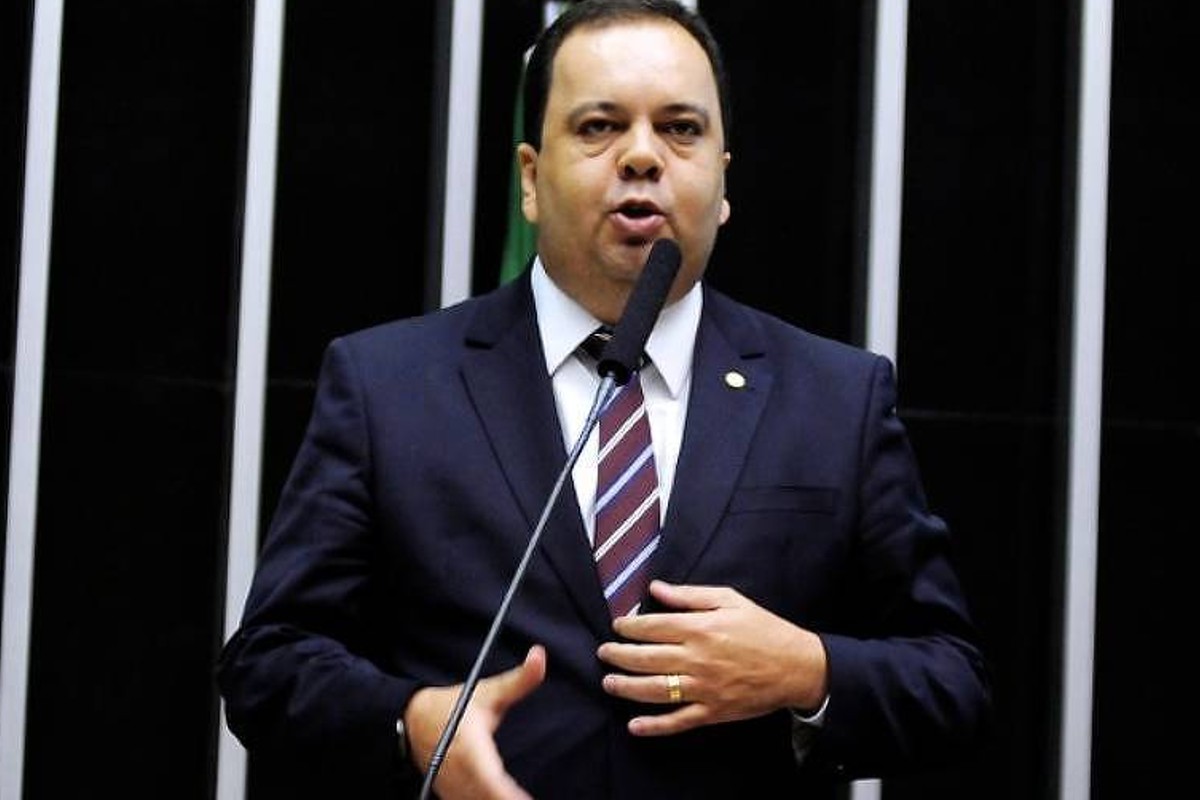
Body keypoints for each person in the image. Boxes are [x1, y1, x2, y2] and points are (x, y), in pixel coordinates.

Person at [216, 1, 991, 797]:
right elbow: (268, 664)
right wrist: (413, 723)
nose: (643, 156)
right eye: (599, 127)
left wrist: (806, 670)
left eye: (681, 129)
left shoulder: (835, 398)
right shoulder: (389, 385)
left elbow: (952, 680)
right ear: (529, 178)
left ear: (723, 179)